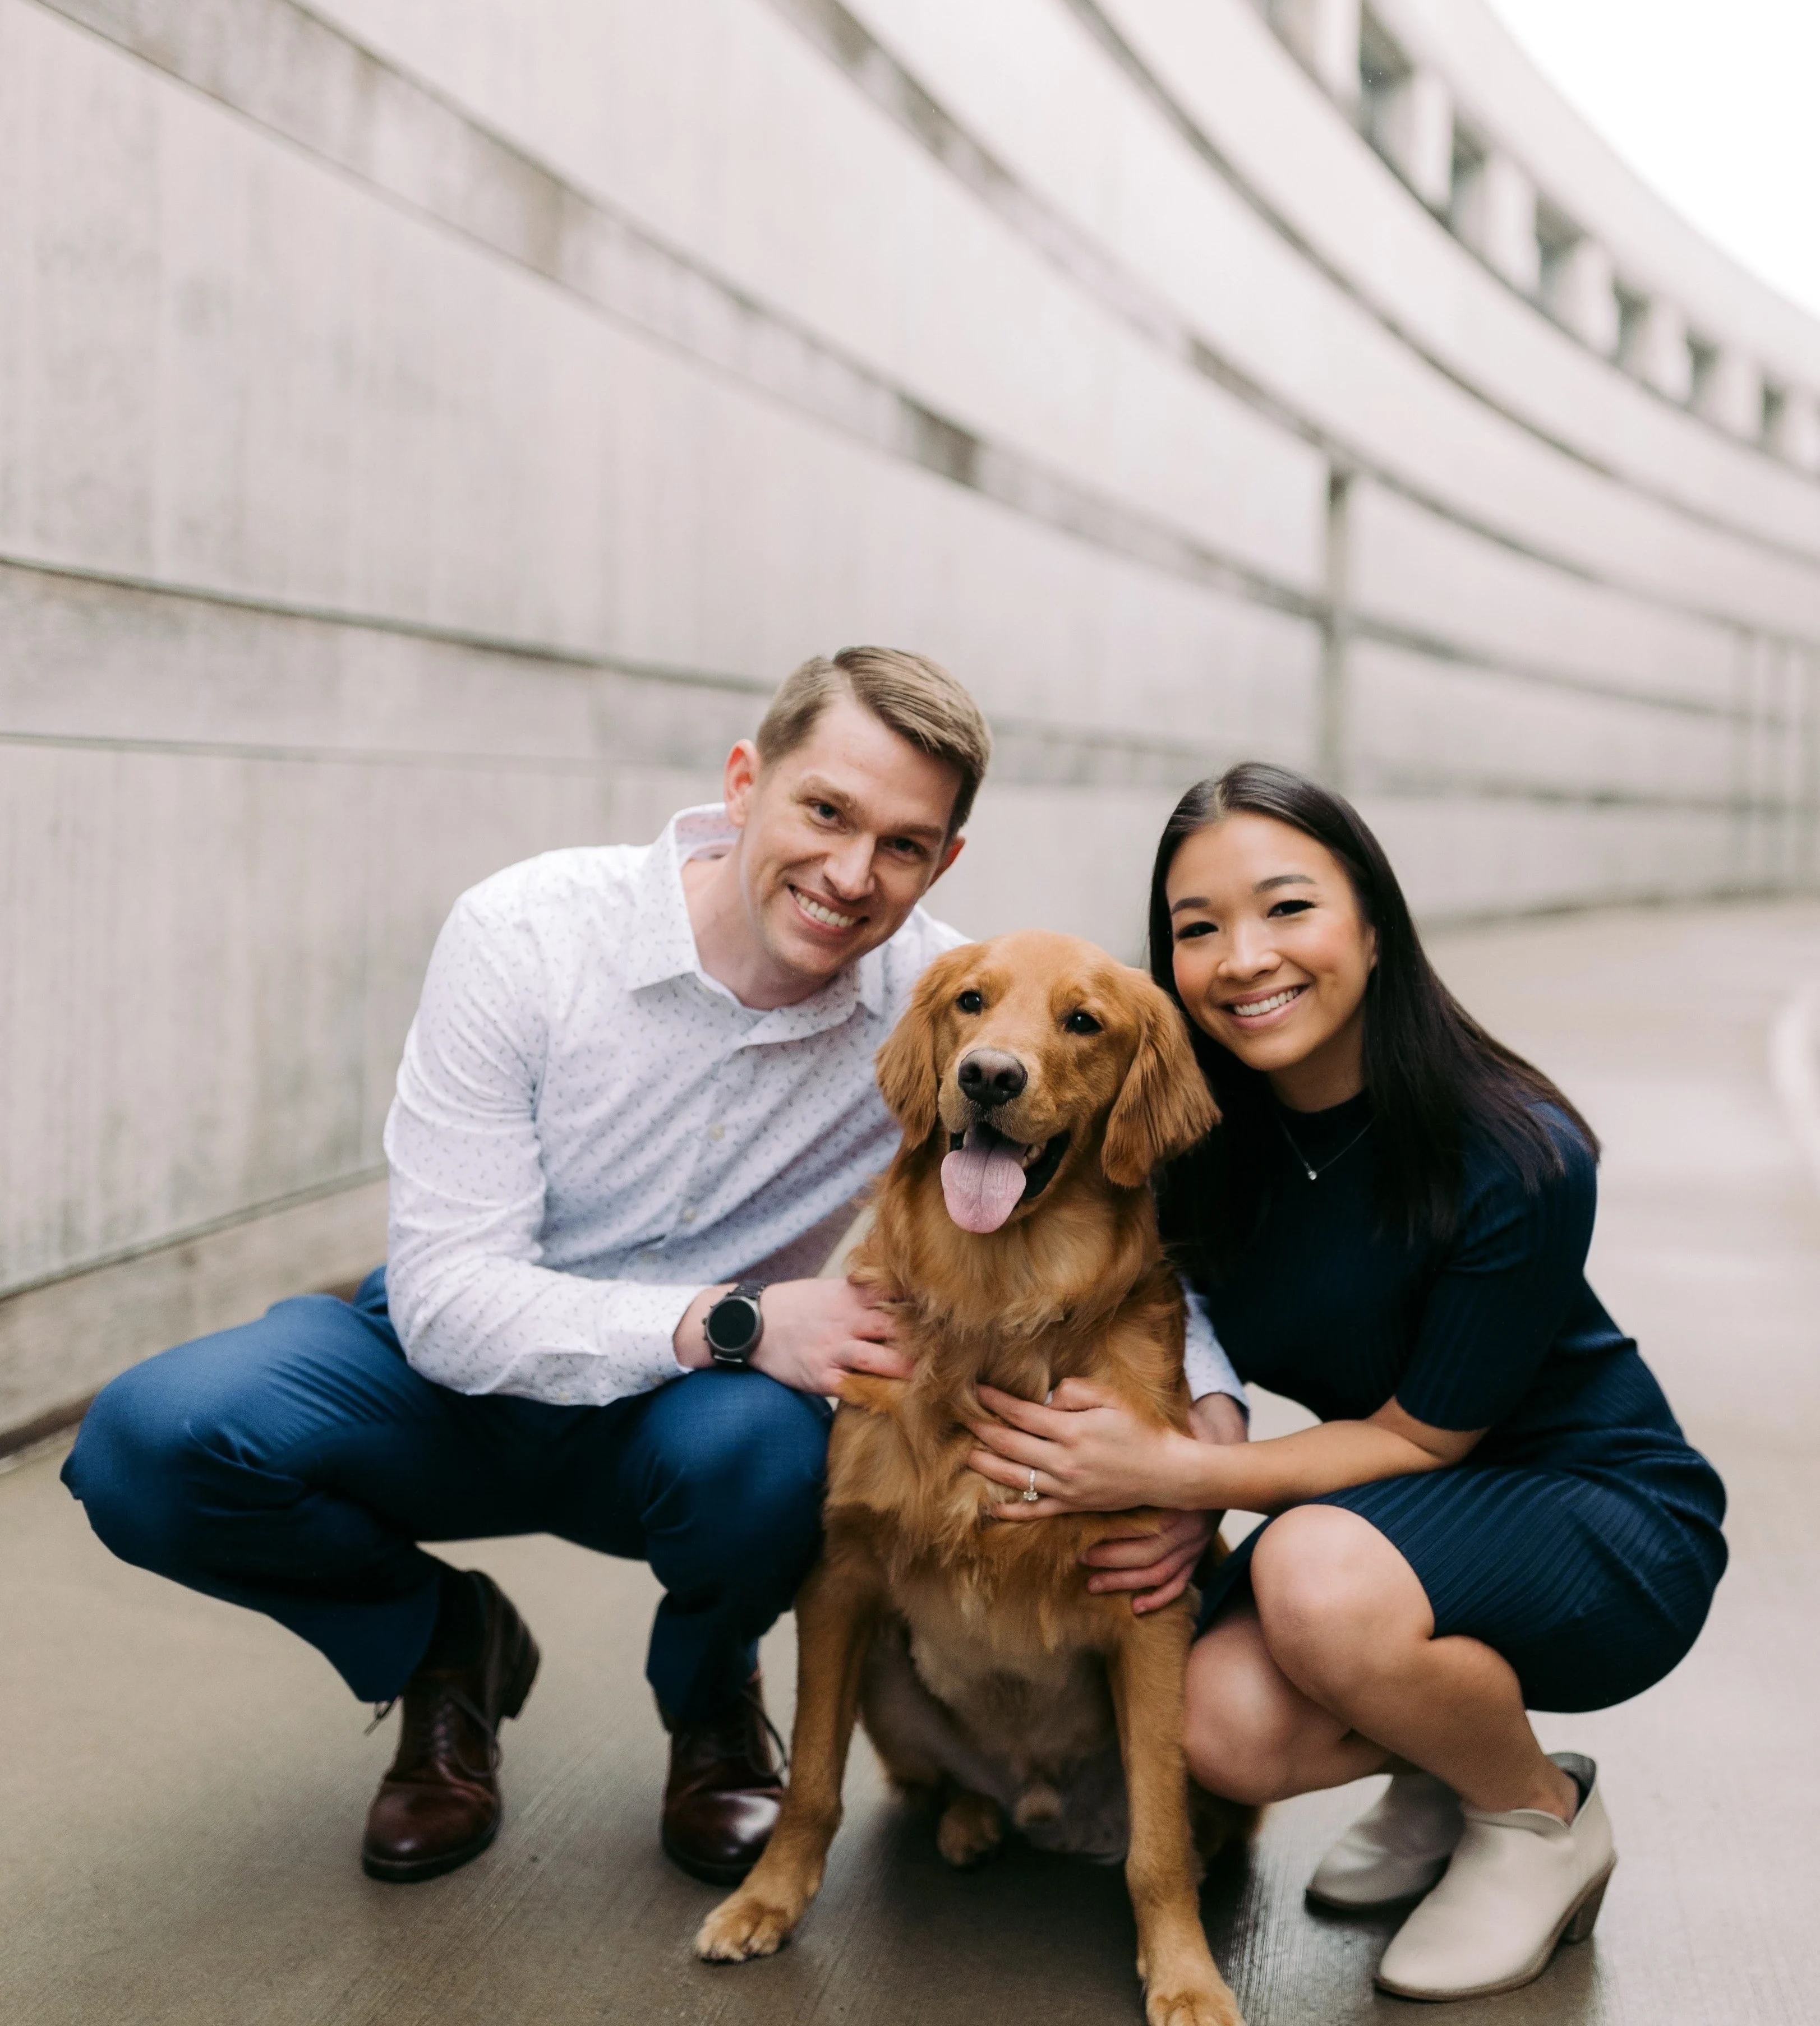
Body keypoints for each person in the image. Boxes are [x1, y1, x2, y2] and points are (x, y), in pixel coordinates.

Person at [61, 644, 1246, 1893]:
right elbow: (452, 1302)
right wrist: (733, 1321)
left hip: (683, 1428)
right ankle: (439, 1648)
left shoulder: (953, 1005)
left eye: (902, 845)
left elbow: (1124, 1236)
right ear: (745, 783)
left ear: (941, 863)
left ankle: (711, 1706)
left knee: (770, 1461)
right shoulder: (523, 934)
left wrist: (1193, 1449)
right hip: (444, 1372)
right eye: (824, 811)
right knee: (151, 1440)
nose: (851, 875)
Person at [964, 763, 1726, 2002]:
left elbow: (1425, 1441)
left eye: (1285, 909)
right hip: (1402, 1521)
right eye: (1195, 928)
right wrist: (1185, 1449)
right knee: (1213, 1726)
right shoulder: (1197, 1131)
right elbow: (1177, 1308)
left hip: (1599, 1512)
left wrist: (1185, 1476)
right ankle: (1440, 1752)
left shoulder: (1516, 1149)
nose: (1241, 957)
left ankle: (1532, 1816)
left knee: (1308, 1576)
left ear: (1372, 924)